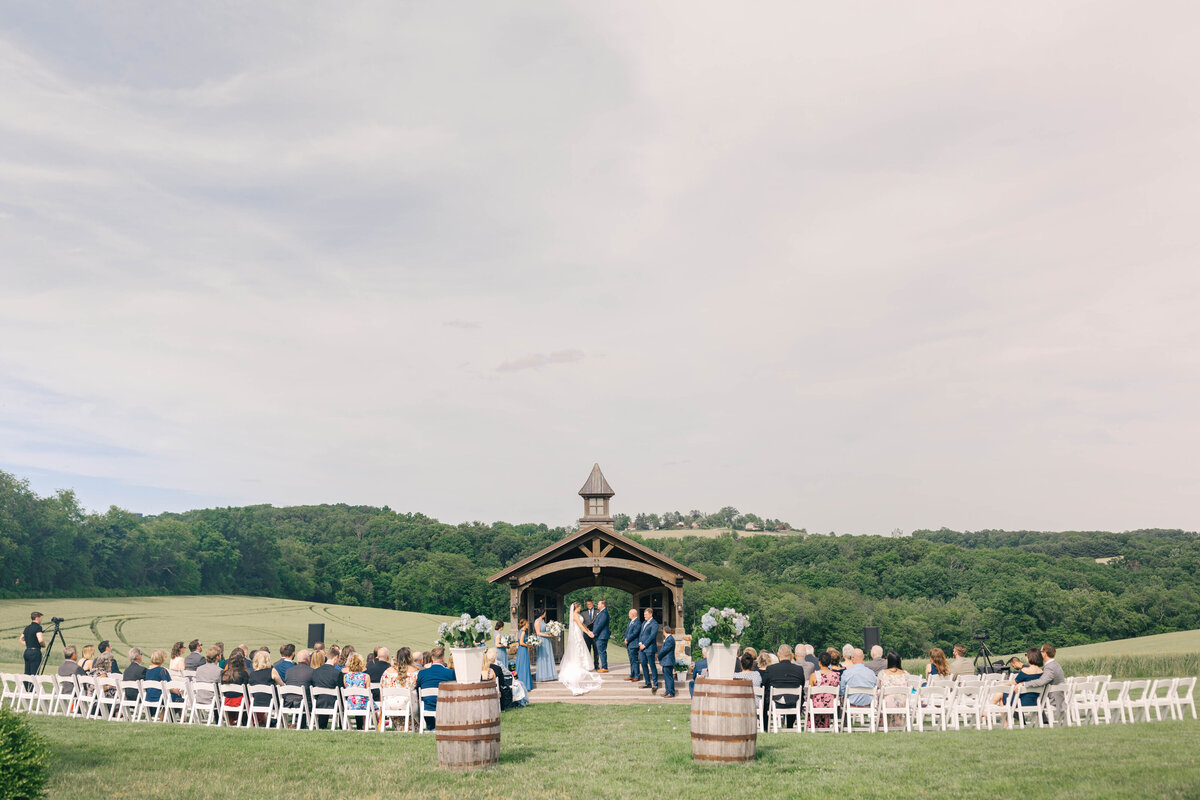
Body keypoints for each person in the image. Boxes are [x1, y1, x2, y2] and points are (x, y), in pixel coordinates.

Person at [558, 602, 603, 696]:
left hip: (580, 634)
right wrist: (588, 633)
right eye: (580, 607)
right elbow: (580, 625)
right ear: (576, 607)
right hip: (577, 634)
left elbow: (584, 624)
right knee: (578, 649)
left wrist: (589, 631)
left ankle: (584, 665)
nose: (581, 608)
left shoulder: (578, 614)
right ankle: (579, 665)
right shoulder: (574, 615)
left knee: (582, 649)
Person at [761, 645, 808, 729]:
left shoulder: (771, 669)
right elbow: (802, 684)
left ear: (778, 655)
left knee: (764, 698)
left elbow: (764, 684)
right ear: (791, 656)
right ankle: (790, 725)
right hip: (794, 702)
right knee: (795, 695)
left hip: (775, 701)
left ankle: (765, 727)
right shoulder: (799, 669)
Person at [1020, 644, 1066, 719]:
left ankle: (1019, 717)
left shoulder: (1050, 667)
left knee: (1025, 697)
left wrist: (1025, 683)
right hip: (1056, 696)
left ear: (1044, 653)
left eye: (1041, 651)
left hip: (1052, 699)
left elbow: (1041, 681)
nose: (1039, 654)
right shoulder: (1055, 665)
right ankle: (1042, 720)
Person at [414, 646, 455, 730]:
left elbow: (417, 689)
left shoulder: (422, 673)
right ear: (443, 659)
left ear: (432, 658)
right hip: (445, 705)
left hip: (427, 706)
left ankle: (431, 727)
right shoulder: (450, 673)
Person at [877, 650, 911, 729]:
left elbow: (879, 686)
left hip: (887, 703)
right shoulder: (905, 674)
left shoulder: (883, 674)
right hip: (903, 703)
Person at [310, 650, 342, 729]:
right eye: (338, 659)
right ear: (336, 657)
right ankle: (342, 726)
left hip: (318, 702)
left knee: (324, 697)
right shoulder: (337, 673)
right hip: (333, 703)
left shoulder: (315, 672)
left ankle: (322, 726)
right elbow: (341, 691)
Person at [808, 651, 840, 730]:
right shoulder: (835, 675)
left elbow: (810, 694)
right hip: (830, 704)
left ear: (819, 663)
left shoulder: (814, 676)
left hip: (816, 705)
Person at [840, 648, 878, 712]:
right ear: (863, 657)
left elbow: (842, 691)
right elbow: (875, 687)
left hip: (851, 704)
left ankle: (845, 720)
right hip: (868, 703)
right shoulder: (871, 673)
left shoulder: (846, 673)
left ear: (852, 658)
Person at [343, 652, 372, 729]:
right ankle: (365, 726)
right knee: (368, 701)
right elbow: (368, 692)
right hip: (363, 704)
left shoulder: (346, 677)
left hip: (350, 704)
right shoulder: (366, 676)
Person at [282, 649, 313, 721]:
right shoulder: (311, 671)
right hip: (304, 702)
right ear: (308, 659)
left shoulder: (289, 671)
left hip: (289, 702)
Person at [220, 651, 250, 725]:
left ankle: (233, 720)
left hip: (226, 701)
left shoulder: (224, 673)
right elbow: (246, 691)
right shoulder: (244, 674)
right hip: (240, 702)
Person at [638, 608, 659, 693]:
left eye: (646, 614)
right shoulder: (644, 623)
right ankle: (647, 683)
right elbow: (641, 634)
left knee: (652, 665)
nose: (644, 616)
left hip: (649, 648)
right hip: (642, 648)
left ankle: (655, 684)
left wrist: (645, 645)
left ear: (650, 614)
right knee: (643, 665)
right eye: (644, 614)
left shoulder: (654, 623)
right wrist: (640, 643)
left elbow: (652, 636)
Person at [533, 609, 557, 682]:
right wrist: (548, 635)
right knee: (542, 657)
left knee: (548, 656)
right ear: (542, 613)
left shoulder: (543, 621)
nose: (545, 614)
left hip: (547, 640)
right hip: (542, 640)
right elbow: (538, 633)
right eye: (544, 612)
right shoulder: (537, 621)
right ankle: (542, 675)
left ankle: (549, 674)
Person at [515, 618, 534, 693]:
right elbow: (522, 643)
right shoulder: (522, 632)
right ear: (525, 624)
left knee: (521, 665)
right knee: (524, 666)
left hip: (521, 650)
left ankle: (520, 683)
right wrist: (530, 646)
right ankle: (525, 684)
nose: (528, 625)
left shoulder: (520, 632)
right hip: (523, 649)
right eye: (527, 624)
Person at [623, 609, 642, 682]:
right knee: (631, 660)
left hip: (634, 644)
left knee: (635, 660)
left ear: (633, 614)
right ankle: (632, 674)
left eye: (629, 614)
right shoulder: (630, 622)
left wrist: (628, 639)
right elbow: (627, 631)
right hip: (629, 644)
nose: (628, 615)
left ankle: (636, 675)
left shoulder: (637, 622)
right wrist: (625, 638)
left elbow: (635, 633)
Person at [657, 630, 676, 697]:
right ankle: (667, 691)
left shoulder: (670, 639)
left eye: (663, 632)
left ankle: (671, 693)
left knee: (669, 677)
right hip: (666, 661)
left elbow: (665, 650)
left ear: (665, 632)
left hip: (668, 661)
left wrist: (659, 656)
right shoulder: (669, 639)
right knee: (666, 677)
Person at [593, 600, 610, 672]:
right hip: (601, 635)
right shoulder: (602, 612)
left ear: (603, 605)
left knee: (602, 651)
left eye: (598, 604)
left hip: (602, 636)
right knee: (601, 651)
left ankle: (604, 668)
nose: (597, 605)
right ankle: (604, 666)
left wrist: (594, 633)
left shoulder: (604, 613)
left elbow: (600, 625)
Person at [582, 599, 598, 668]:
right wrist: (587, 631)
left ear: (592, 603)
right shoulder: (583, 612)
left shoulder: (598, 611)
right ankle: (588, 665)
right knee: (587, 650)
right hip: (586, 634)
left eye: (590, 604)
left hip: (595, 633)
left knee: (596, 650)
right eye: (587, 604)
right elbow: (582, 623)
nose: (589, 605)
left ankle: (596, 665)